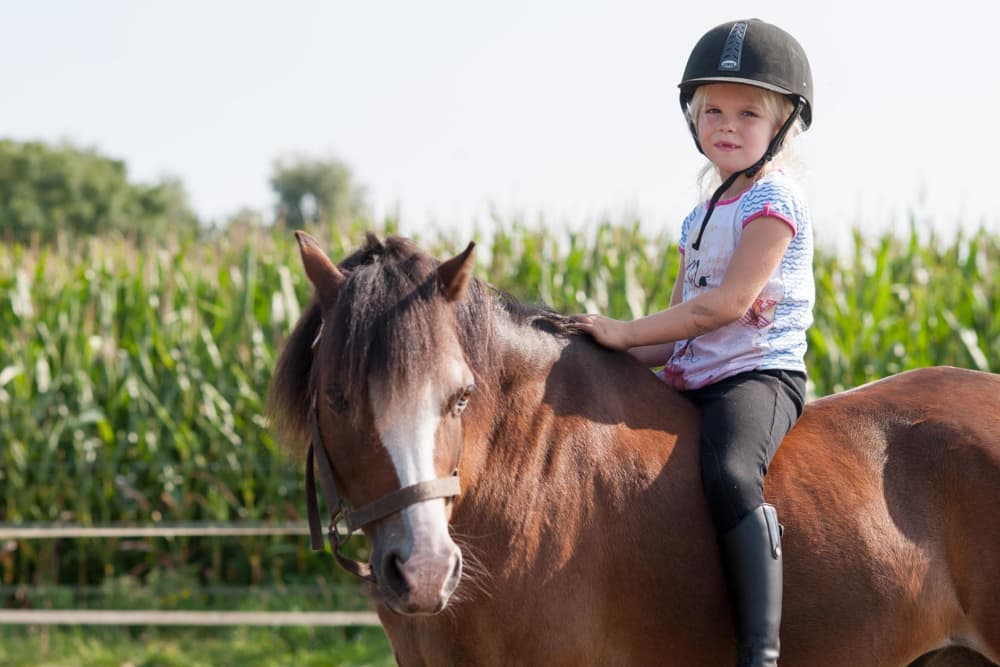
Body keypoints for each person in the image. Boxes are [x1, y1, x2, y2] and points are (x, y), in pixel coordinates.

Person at [572, 18, 814, 667]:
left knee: (731, 472)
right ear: (693, 119)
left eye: (747, 113)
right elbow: (674, 330)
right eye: (712, 111)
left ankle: (760, 648)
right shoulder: (698, 216)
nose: (726, 126)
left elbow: (725, 306)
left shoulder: (774, 201)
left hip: (756, 374)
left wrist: (626, 329)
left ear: (782, 125)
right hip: (694, 377)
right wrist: (599, 349)